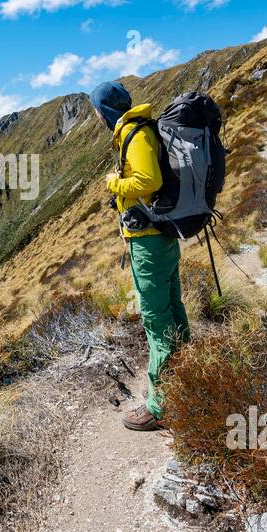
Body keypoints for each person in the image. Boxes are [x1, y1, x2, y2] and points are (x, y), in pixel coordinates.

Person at [90, 81, 191, 432]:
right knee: (173, 308)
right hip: (160, 236)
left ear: (105, 112)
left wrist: (114, 184)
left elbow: (148, 180)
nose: (96, 116)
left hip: (147, 241)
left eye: (96, 111)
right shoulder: (141, 130)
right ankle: (186, 375)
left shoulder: (135, 134)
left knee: (155, 319)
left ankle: (159, 407)